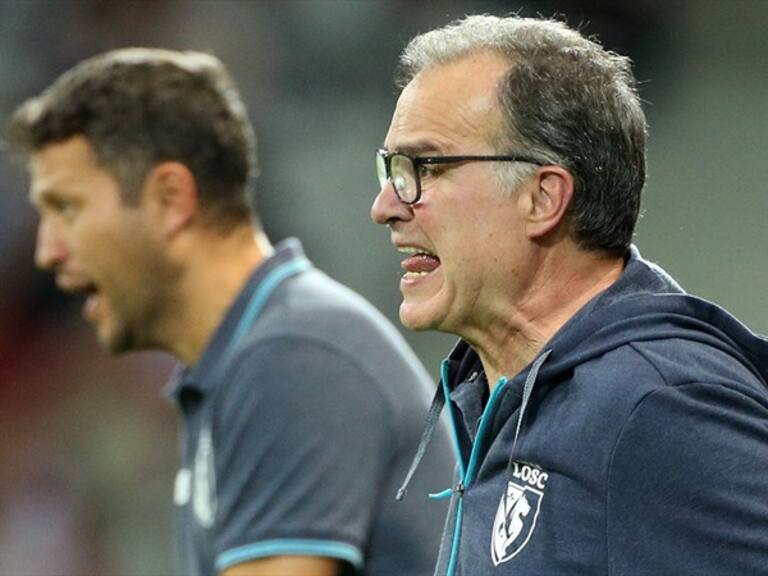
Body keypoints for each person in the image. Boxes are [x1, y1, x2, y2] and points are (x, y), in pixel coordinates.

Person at [7, 48, 453, 576]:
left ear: (170, 199)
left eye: (67, 208)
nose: (47, 251)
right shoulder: (251, 353)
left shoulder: (291, 358)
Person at [370, 14, 768, 576]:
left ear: (543, 196)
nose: (385, 206)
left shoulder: (657, 404)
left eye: (424, 167)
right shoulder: (497, 396)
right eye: (389, 169)